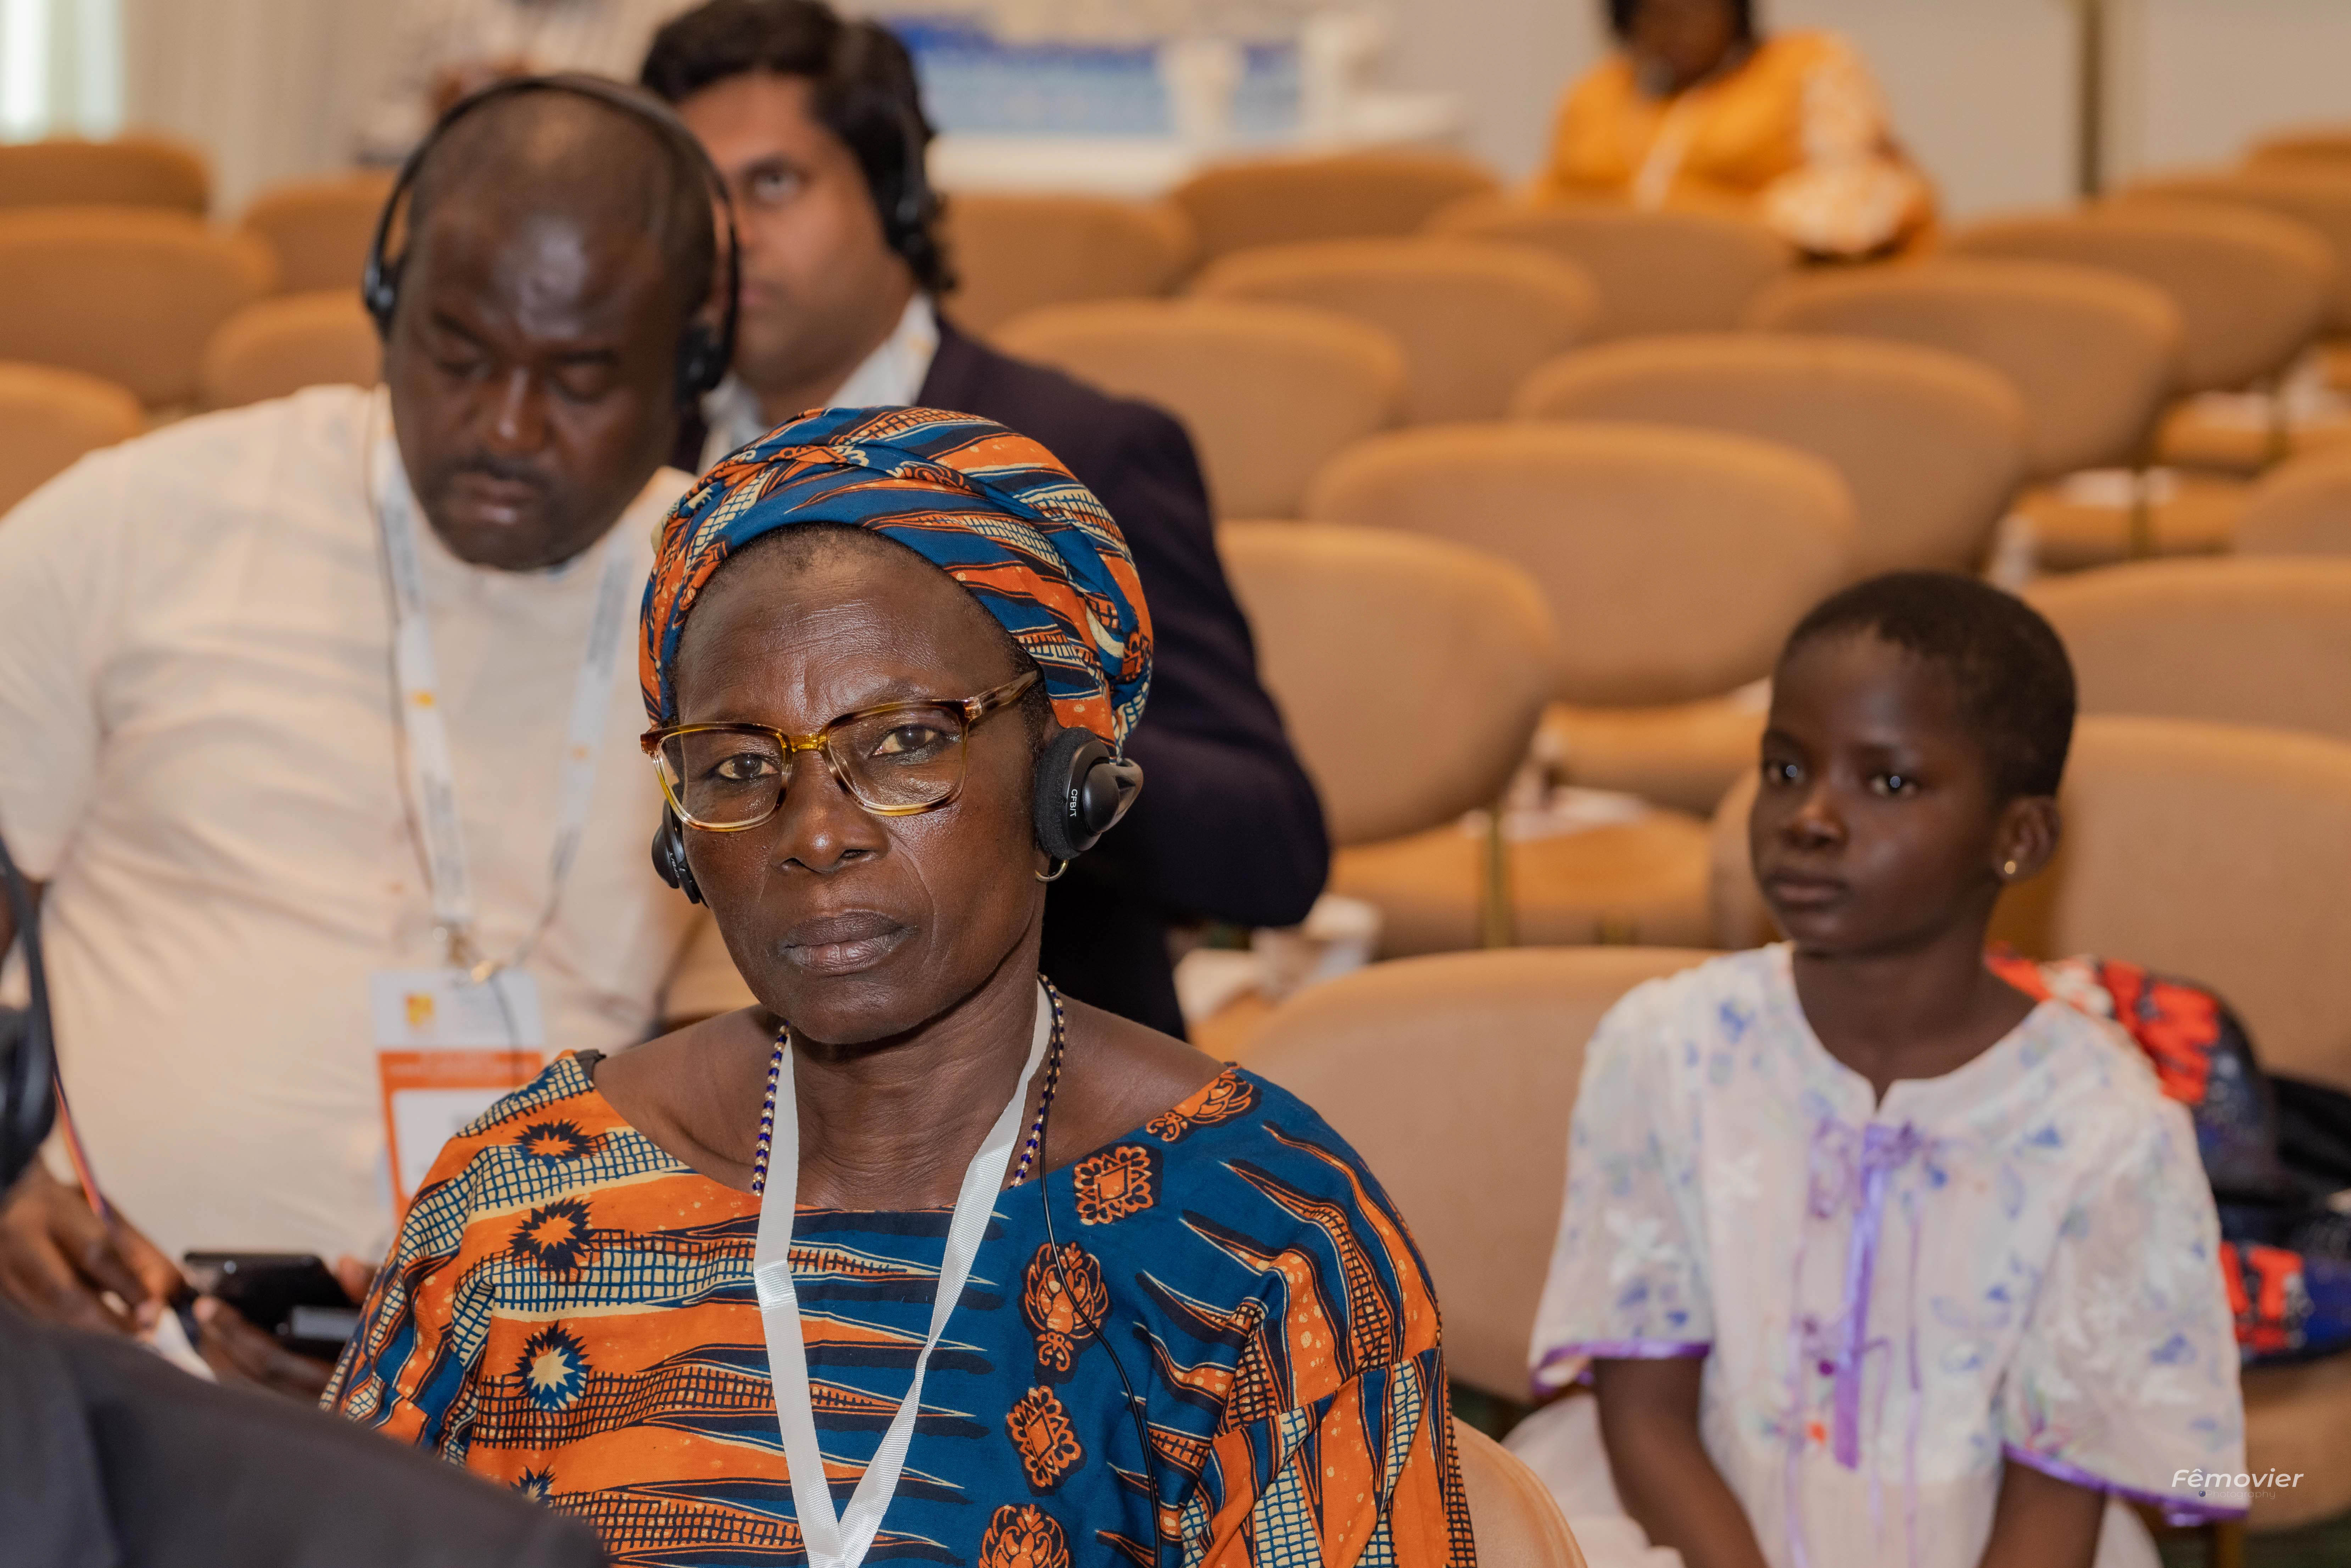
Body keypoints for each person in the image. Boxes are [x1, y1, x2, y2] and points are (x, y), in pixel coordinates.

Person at [328, 408, 1474, 1568]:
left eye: (905, 743)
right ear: (682, 839)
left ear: (1064, 779)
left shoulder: (1262, 1243)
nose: (816, 833)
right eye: (739, 765)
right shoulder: (517, 1206)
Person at [0, 80, 748, 1397]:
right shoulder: (135, 526)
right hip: (106, 1360)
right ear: (386, 304)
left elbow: (782, 1082)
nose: (506, 426)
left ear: (693, 365)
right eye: (457, 356)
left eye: (580, 379)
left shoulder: (737, 609)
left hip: (540, 1386)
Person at [1514, 573, 2245, 1568]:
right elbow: (1645, 1416)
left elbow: (2056, 1489)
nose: (1811, 815)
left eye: (1888, 782)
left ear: (2019, 836)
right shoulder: (1668, 1050)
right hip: (1685, 1524)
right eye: (1785, 767)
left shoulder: (2105, 1123)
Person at [640, 0, 1328, 1038]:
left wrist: (1041, 731)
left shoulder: (1074, 456)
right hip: (711, 1058)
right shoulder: (649, 463)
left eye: (772, 184)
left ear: (896, 196)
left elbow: (1270, 847)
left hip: (1031, 1081)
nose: (727, 235)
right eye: (694, 199)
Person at [1534, 0, 1933, 258]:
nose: (1678, 29)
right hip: (1618, 300)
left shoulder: (1806, 64)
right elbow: (1548, 204)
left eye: (1697, 10)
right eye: (1657, 14)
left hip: (1767, 293)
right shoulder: (1597, 93)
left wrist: (1696, 224)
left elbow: (1859, 193)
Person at [357, 0, 688, 162]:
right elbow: (370, 143)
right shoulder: (439, 10)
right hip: (451, 207)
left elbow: (658, 152)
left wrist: (550, 109)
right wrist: (438, 113)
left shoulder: (650, 19)